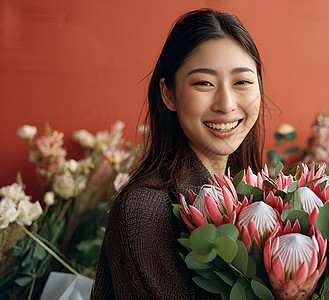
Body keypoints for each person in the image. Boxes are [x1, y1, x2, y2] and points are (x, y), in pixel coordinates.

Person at [91, 8, 265, 299]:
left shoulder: (258, 195)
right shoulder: (143, 210)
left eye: (242, 82)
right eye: (204, 83)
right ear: (168, 94)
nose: (226, 104)